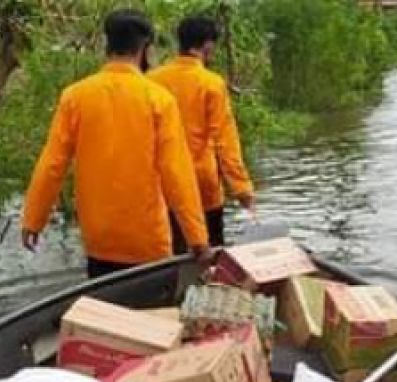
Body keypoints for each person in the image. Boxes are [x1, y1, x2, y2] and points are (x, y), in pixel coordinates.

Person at [21, 9, 209, 278]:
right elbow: (176, 172)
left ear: (106, 44)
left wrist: (33, 220)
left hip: (98, 238)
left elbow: (53, 164)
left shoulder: (76, 96)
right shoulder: (158, 99)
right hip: (147, 240)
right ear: (145, 48)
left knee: (102, 313)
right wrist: (197, 237)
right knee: (148, 316)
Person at [149, 15, 255, 252]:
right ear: (207, 44)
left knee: (172, 253)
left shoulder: (152, 80)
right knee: (210, 254)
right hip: (202, 185)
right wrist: (242, 189)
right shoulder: (211, 83)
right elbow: (225, 141)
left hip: (164, 185)